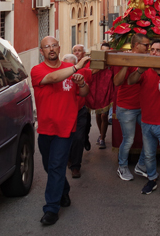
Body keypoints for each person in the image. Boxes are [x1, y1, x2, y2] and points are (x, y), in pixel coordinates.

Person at [31, 38, 90, 226]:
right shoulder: (37, 70)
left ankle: (51, 209)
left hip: (66, 128)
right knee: (50, 167)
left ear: (59, 47)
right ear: (42, 51)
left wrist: (81, 82)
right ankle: (63, 191)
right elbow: (53, 78)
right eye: (46, 47)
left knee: (56, 166)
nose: (51, 49)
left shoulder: (71, 68)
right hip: (46, 128)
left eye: (53, 45)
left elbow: (84, 92)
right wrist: (76, 68)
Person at [127, 39, 160, 203]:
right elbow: (131, 81)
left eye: (158, 50)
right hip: (147, 122)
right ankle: (152, 180)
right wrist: (140, 71)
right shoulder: (144, 68)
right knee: (149, 156)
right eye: (152, 50)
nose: (154, 53)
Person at [113, 33, 151, 181]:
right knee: (128, 139)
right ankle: (122, 167)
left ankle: (141, 165)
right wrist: (126, 64)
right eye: (146, 45)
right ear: (137, 45)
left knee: (149, 136)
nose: (148, 48)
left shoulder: (147, 58)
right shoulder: (125, 57)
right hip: (126, 107)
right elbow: (117, 82)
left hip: (143, 106)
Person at [68, 44, 93, 178]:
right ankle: (69, 159)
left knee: (78, 138)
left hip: (80, 111)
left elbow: (92, 74)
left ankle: (76, 166)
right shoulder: (61, 74)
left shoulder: (84, 71)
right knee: (67, 138)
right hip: (65, 113)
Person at [86, 42, 115, 149]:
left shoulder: (112, 64)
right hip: (96, 90)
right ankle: (101, 134)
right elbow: (88, 73)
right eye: (102, 50)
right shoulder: (93, 61)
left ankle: (102, 138)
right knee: (98, 115)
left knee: (104, 115)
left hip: (107, 91)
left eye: (106, 51)